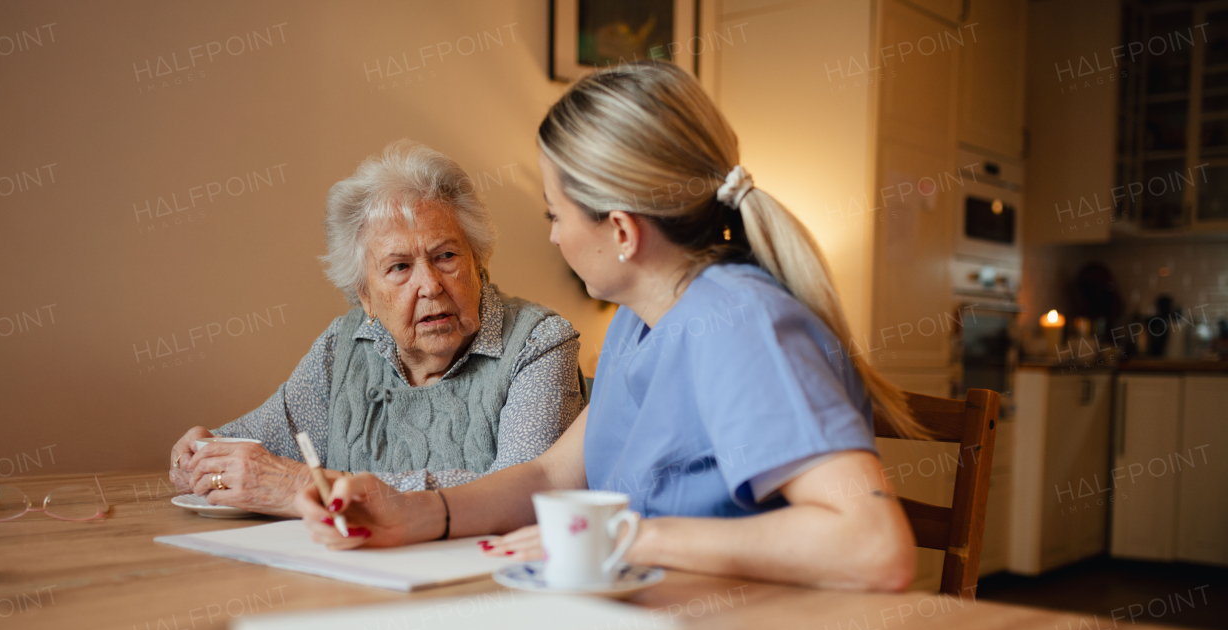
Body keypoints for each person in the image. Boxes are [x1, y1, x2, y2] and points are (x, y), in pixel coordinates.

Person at [294, 63, 923, 591]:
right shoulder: (636, 324)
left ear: (620, 231)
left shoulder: (738, 322)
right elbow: (549, 475)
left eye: (555, 214)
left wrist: (636, 536)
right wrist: (415, 514)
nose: (553, 235)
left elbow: (871, 545)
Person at [168, 141, 585, 515]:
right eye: (399, 267)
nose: (430, 284)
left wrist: (307, 489)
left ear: (478, 264)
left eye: (445, 256)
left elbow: (527, 494)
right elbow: (259, 444)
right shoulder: (346, 346)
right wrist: (201, 455)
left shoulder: (538, 343)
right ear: (364, 295)